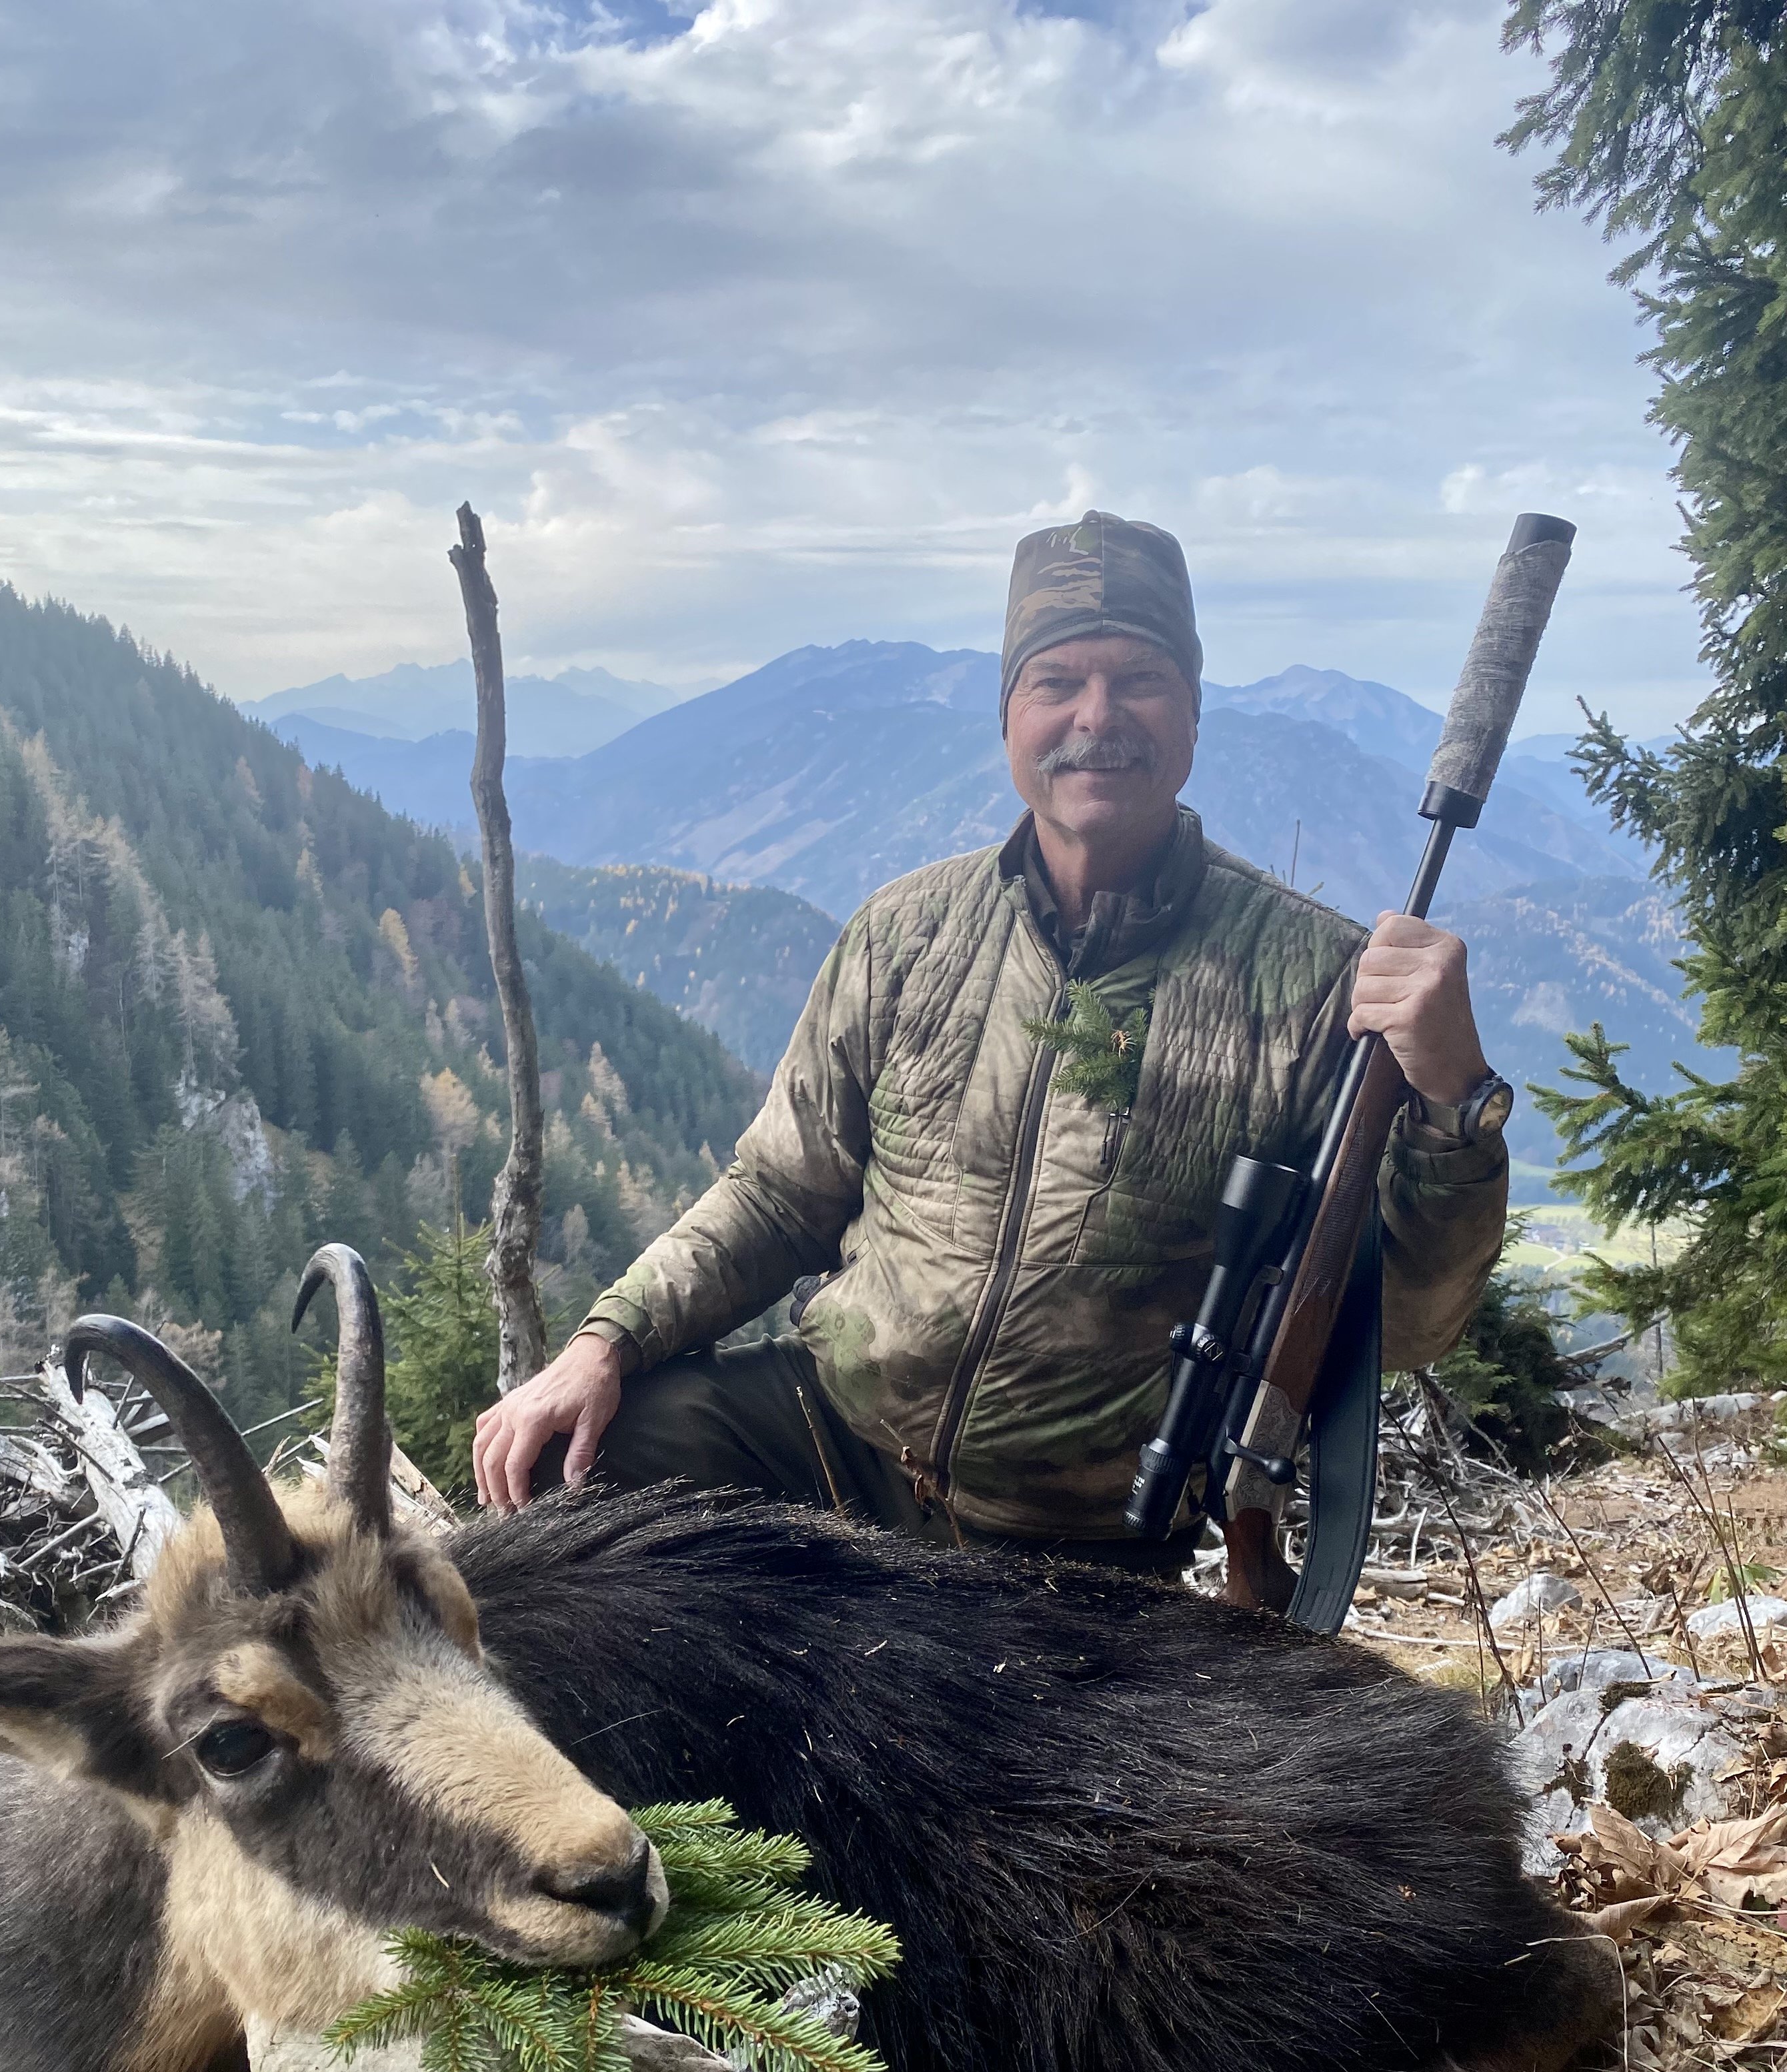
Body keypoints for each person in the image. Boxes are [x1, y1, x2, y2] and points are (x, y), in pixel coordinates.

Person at [472, 509, 1512, 1561]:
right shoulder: (906, 931)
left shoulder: (1316, 980)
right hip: (831, 1447)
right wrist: (607, 1340)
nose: (1096, 715)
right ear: (1010, 715)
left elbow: (1409, 1327)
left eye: (1138, 679)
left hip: (1071, 1537)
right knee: (578, 1467)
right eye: (1057, 681)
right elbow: (779, 1194)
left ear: (1194, 713)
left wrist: (1452, 1107)